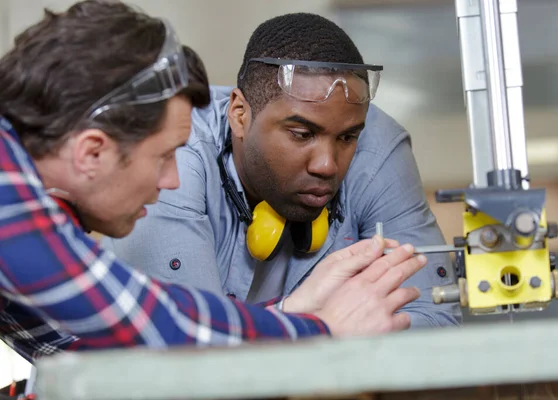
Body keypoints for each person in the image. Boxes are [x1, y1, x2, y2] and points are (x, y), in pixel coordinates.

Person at [0, 0, 429, 366]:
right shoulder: (7, 197)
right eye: (165, 156)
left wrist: (292, 310)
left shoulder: (24, 199)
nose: (171, 179)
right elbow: (152, 326)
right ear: (92, 151)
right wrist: (321, 331)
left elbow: (92, 347)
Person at [105, 12, 462, 328]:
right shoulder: (176, 154)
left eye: (347, 137)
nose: (326, 165)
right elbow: (190, 346)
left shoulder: (379, 146)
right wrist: (321, 328)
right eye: (301, 134)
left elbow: (436, 320)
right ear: (240, 114)